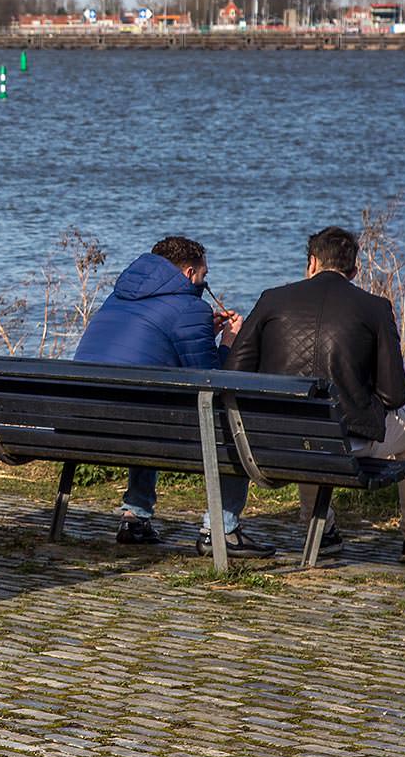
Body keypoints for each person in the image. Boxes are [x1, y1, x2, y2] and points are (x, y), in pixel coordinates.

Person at [227, 225, 405, 564]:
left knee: (310, 426)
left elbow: (235, 375)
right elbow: (395, 395)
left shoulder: (272, 299)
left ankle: (323, 530)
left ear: (312, 262)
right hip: (344, 440)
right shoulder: (375, 307)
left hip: (274, 439)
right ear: (354, 271)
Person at [73, 236, 274, 558]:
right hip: (141, 426)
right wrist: (230, 343)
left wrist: (202, 332)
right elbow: (212, 382)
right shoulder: (190, 307)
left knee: (145, 404)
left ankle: (135, 516)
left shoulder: (117, 299)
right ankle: (222, 528)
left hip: (82, 425)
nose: (205, 285)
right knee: (233, 425)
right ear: (189, 272)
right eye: (204, 278)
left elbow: (153, 346)